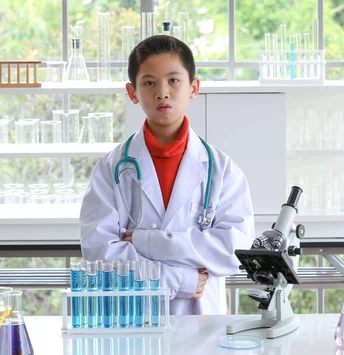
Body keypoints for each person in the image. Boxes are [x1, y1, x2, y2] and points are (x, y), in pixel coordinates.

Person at [80, 35, 255, 315]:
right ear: (132, 92)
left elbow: (233, 251)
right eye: (149, 83)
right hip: (134, 322)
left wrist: (144, 241)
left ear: (193, 87)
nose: (162, 92)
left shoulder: (223, 170)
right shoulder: (110, 170)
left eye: (174, 80)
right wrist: (181, 279)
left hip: (201, 328)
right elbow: (100, 256)